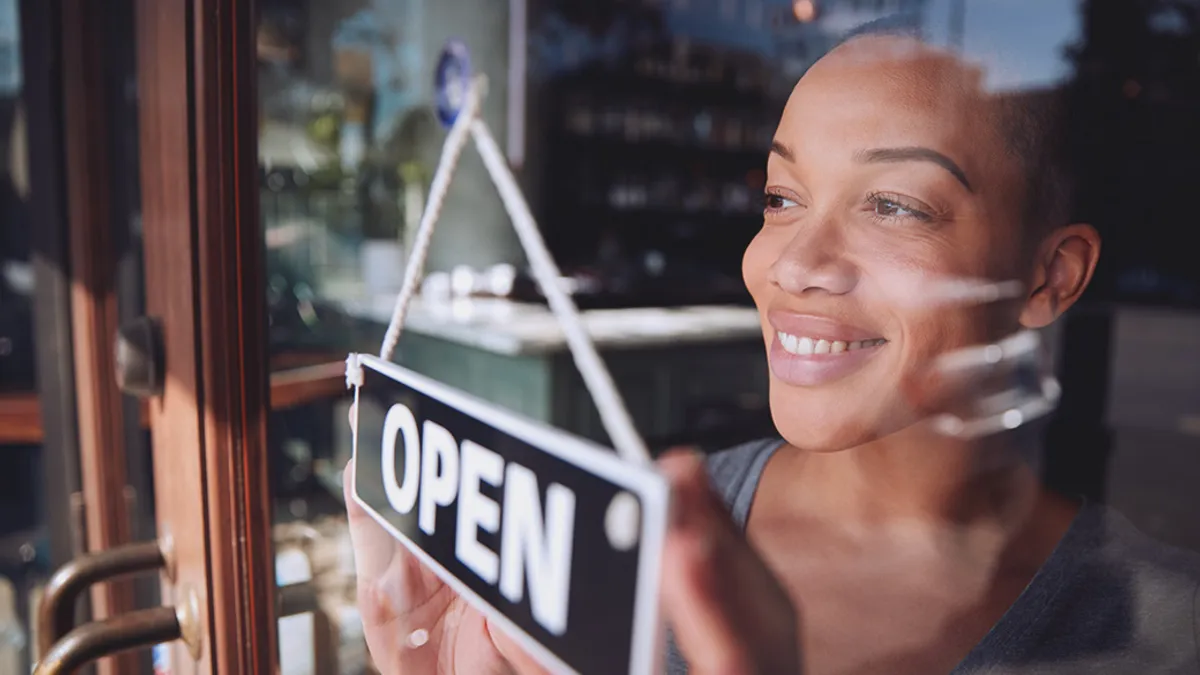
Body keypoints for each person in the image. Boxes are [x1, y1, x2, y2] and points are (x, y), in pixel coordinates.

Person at [343, 31, 1200, 675]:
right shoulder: (647, 533)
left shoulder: (1161, 630)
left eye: (894, 205)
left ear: (1050, 276)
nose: (791, 263)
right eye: (782, 197)